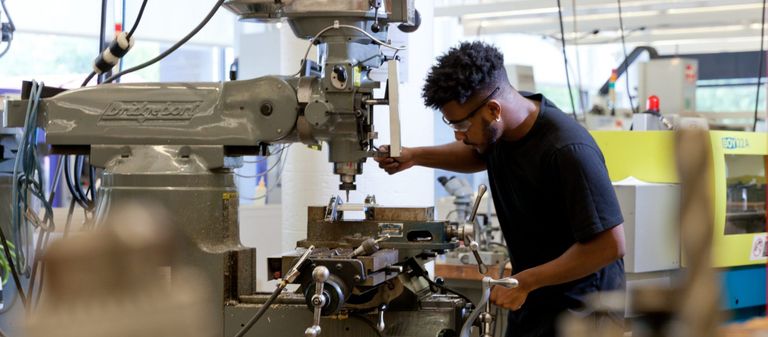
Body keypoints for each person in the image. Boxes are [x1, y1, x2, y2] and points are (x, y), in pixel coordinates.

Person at [375, 41, 626, 337]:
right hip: (536, 297)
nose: (459, 134)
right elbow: (477, 153)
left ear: (494, 109)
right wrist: (414, 156)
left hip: (582, 310)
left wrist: (528, 281)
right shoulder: (504, 131)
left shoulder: (567, 149)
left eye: (463, 124)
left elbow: (610, 244)